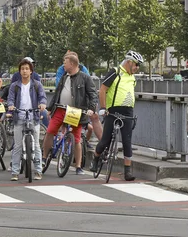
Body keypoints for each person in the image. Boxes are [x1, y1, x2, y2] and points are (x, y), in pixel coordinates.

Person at [90, 51, 143, 181]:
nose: (137, 68)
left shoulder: (132, 77)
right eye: (136, 64)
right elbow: (102, 89)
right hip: (112, 110)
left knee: (127, 141)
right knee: (105, 140)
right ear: (129, 62)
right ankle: (96, 159)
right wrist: (103, 108)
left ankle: (127, 172)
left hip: (128, 112)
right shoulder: (115, 72)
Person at [42, 53, 97, 175]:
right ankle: (44, 157)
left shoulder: (85, 78)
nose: (63, 64)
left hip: (75, 111)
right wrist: (50, 108)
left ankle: (78, 166)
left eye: (65, 62)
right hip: (60, 109)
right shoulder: (64, 77)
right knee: (50, 131)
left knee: (77, 139)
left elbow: (93, 95)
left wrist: (91, 108)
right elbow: (57, 93)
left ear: (72, 64)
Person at [7, 58, 47, 181]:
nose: (24, 71)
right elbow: (10, 98)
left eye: (27, 69)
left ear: (31, 71)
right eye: (22, 69)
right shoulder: (15, 86)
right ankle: (15, 172)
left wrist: (42, 104)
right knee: (18, 145)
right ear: (19, 71)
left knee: (35, 145)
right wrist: (11, 105)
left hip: (33, 116)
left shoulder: (36, 84)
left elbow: (42, 97)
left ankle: (38, 171)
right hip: (19, 116)